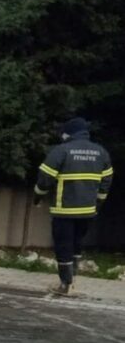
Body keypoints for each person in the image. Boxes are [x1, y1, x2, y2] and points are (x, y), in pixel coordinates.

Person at [34, 117, 113, 296]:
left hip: (64, 209)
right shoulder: (101, 152)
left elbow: (44, 178)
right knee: (77, 243)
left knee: (63, 245)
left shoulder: (61, 150)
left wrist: (38, 196)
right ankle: (73, 279)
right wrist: (98, 203)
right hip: (87, 211)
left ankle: (65, 284)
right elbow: (106, 180)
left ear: (68, 133)